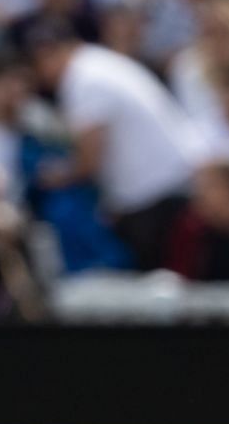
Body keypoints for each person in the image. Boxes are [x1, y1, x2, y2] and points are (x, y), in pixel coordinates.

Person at [23, 18, 202, 271]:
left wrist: (54, 176)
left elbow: (89, 161)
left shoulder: (83, 79)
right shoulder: (97, 63)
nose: (41, 74)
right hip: (169, 185)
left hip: (156, 197)